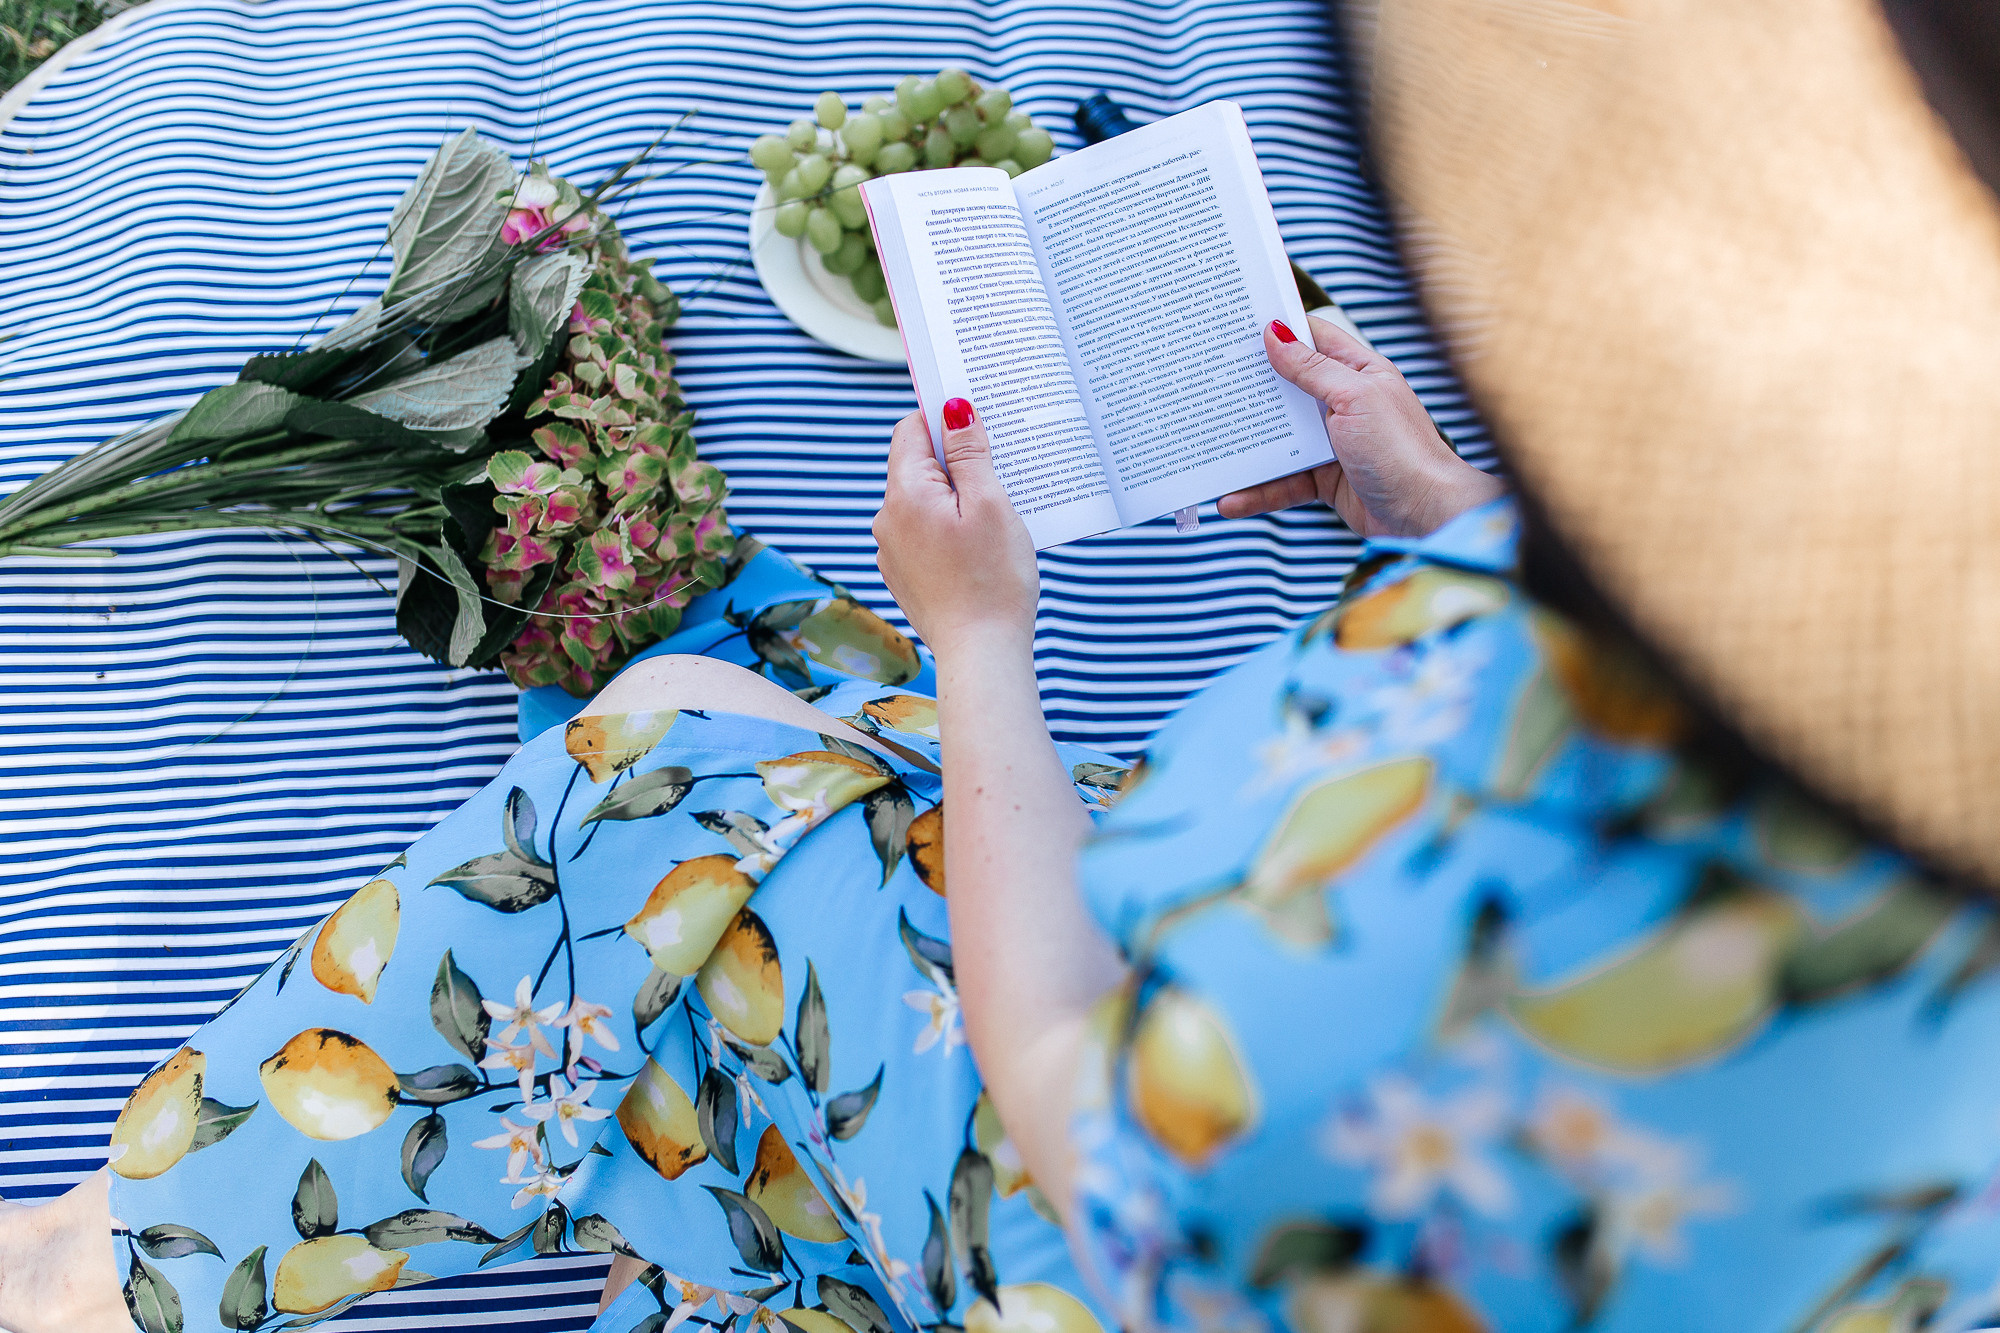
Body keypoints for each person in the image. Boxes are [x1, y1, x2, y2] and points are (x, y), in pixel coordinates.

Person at [12, 300, 2000, 1333]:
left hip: (1133, 1224)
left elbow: (1084, 1085)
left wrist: (980, 643)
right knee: (797, 737)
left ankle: (126, 1270)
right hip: (1405, 1195)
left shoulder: (1522, 953)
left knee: (678, 763)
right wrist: (1432, 520)